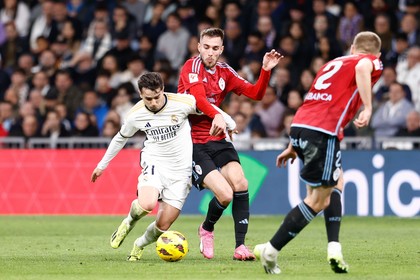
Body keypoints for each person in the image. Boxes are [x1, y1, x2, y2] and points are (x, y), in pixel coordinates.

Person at [253, 31, 383, 274]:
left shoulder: (332, 63)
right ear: (377, 53)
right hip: (322, 132)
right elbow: (365, 66)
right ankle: (271, 249)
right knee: (318, 200)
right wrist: (368, 107)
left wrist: (293, 143)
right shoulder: (367, 60)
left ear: (352, 47)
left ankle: (333, 246)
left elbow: (315, 100)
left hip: (302, 126)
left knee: (335, 182)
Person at [90, 72, 235, 261]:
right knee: (147, 204)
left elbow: (210, 107)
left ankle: (139, 244)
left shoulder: (183, 102)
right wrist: (102, 165)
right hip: (155, 162)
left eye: (157, 97)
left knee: (163, 225)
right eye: (148, 98)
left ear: (163, 90)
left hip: (181, 171)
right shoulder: (135, 114)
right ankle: (129, 221)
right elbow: (120, 138)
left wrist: (229, 123)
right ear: (141, 95)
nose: (153, 103)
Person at [177, 27, 283, 260]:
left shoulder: (225, 72)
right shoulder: (191, 67)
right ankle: (206, 228)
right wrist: (218, 115)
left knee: (241, 182)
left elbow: (255, 94)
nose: (210, 53)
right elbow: (198, 99)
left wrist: (265, 71)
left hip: (219, 139)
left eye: (215, 48)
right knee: (224, 195)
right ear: (199, 46)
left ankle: (240, 247)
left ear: (221, 49)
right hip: (194, 142)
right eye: (206, 47)